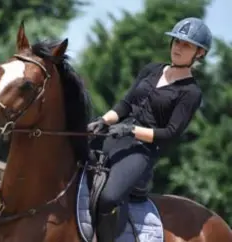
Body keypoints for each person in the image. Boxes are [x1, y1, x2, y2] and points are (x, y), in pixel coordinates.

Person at [87, 17, 212, 242]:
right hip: (115, 133)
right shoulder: (152, 69)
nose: (178, 48)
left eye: (186, 45)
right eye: (176, 42)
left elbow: (170, 133)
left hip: (141, 151)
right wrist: (103, 122)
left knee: (109, 197)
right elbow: (125, 104)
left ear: (199, 53)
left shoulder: (191, 92)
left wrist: (131, 131)